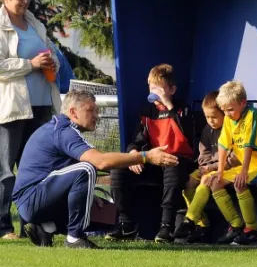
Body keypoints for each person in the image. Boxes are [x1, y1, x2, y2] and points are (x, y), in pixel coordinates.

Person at [12, 90, 178, 249]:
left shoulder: (63, 129)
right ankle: (74, 238)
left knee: (109, 216)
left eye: (97, 111)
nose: (96, 116)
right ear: (73, 112)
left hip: (41, 198)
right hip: (31, 199)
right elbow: (101, 162)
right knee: (87, 168)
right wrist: (145, 156)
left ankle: (47, 227)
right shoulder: (63, 131)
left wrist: (87, 197)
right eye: (90, 110)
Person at [0, 0, 61, 240]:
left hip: (42, 105)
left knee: (35, 166)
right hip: (12, 107)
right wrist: (30, 65)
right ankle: (3, 226)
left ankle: (30, 222)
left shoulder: (34, 22)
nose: (24, 2)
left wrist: (52, 63)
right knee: (5, 169)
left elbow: (48, 51)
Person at [105, 64, 195, 243]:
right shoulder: (146, 112)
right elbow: (136, 140)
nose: (154, 92)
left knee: (172, 168)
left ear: (172, 89)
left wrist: (168, 105)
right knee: (119, 170)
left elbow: (186, 133)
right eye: (151, 87)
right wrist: (133, 155)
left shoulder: (181, 109)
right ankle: (126, 224)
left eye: (158, 88)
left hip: (178, 161)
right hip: (153, 161)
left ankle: (166, 227)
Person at [185, 81, 257, 245]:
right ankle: (236, 225)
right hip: (245, 166)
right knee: (214, 182)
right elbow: (223, 145)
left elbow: (249, 145)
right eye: (224, 110)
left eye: (230, 109)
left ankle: (252, 229)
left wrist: (243, 172)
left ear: (243, 103)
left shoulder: (253, 115)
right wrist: (220, 171)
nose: (227, 114)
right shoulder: (230, 118)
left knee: (239, 183)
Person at [173, 90, 240, 243]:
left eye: (214, 117)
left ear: (224, 113)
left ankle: (189, 221)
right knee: (189, 181)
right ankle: (201, 222)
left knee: (206, 181)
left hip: (226, 169)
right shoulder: (207, 130)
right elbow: (203, 153)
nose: (211, 121)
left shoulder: (231, 130)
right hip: (208, 168)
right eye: (207, 117)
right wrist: (205, 166)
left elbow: (233, 158)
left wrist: (212, 167)